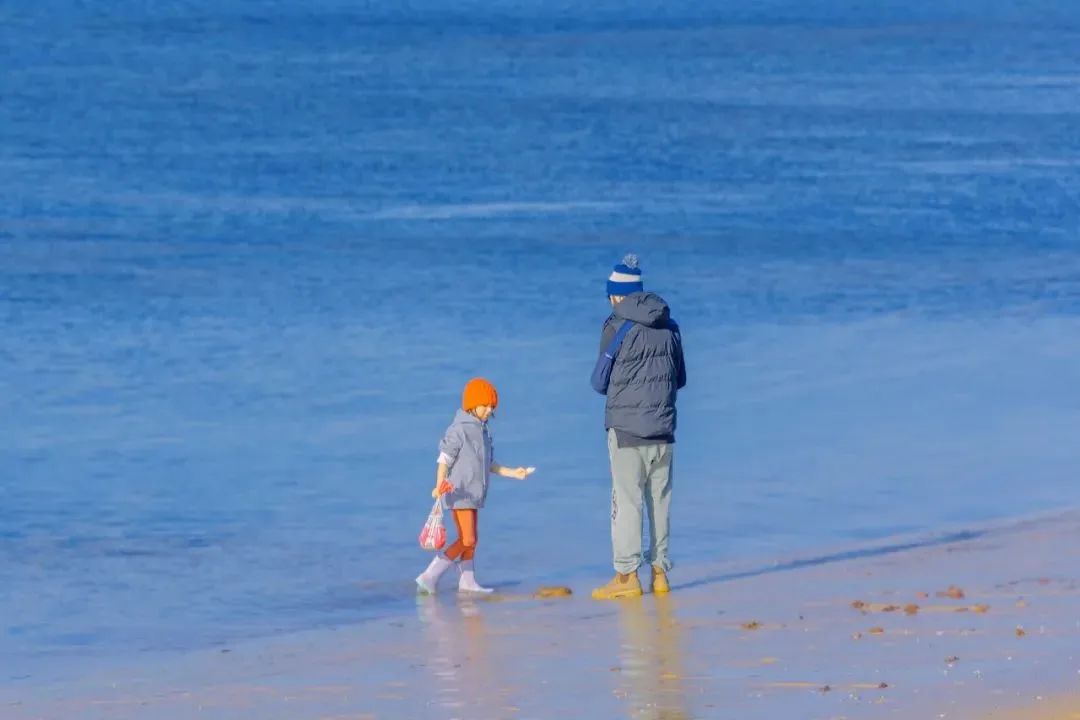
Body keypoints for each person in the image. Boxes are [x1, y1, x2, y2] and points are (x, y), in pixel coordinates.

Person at [591, 254, 686, 600]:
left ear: (617, 295)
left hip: (627, 431)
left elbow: (599, 382)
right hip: (664, 429)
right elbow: (681, 378)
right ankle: (660, 575)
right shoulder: (670, 326)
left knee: (627, 502)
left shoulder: (616, 327)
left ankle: (626, 576)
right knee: (660, 501)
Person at [415, 377, 534, 594]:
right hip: (458, 492)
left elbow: (489, 464)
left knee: (472, 540)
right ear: (472, 404)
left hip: (474, 494)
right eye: (485, 405)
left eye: (492, 407)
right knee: (467, 538)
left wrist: (514, 473)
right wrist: (438, 484)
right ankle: (430, 576)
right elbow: (444, 458)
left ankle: (467, 582)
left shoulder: (483, 431)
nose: (489, 410)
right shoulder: (459, 429)